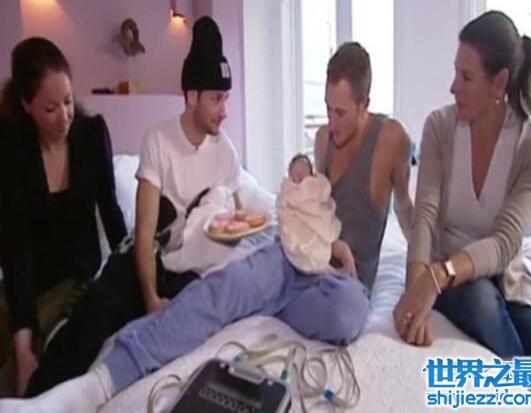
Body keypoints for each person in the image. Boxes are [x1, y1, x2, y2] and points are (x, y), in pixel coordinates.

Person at [0, 41, 414, 412]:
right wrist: (302, 193)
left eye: (340, 112)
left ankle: (260, 301)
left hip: (343, 280)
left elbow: (409, 212)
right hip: (292, 255)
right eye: (326, 107)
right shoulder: (322, 138)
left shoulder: (392, 139)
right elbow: (314, 206)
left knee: (345, 315)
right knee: (221, 290)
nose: (330, 122)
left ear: (366, 103)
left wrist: (421, 282)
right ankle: (95, 386)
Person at [22, 16, 244, 397]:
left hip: (188, 268)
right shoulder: (159, 140)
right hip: (144, 258)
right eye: (216, 99)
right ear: (191, 96)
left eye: (226, 98)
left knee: (191, 326)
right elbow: (143, 232)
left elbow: (239, 220)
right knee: (96, 313)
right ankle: (35, 398)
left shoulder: (226, 152)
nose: (224, 110)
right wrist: (150, 297)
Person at [393, 10, 531, 410]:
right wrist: (416, 289)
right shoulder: (439, 127)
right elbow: (425, 214)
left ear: (500, 82)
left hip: (503, 273)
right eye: (454, 72)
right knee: (481, 300)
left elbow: (505, 242)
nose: (452, 87)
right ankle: (528, 401)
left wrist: (437, 276)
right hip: (452, 274)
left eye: (466, 77)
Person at [0, 37, 127, 397]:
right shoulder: (12, 151)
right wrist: (22, 340)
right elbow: (16, 249)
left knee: (28, 371)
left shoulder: (91, 136)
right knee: (16, 345)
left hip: (75, 280)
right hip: (26, 284)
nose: (64, 116)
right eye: (51, 108)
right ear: (26, 105)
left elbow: (111, 212)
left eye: (68, 102)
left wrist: (130, 270)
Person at [278, 153, 356, 276]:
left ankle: (349, 266)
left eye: (303, 173)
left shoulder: (316, 187)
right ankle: (326, 271)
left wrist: (314, 189)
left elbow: (323, 198)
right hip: (300, 232)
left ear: (311, 175)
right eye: (296, 173)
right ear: (289, 175)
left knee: (339, 247)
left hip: (320, 227)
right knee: (305, 252)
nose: (300, 177)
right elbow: (283, 211)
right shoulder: (287, 191)